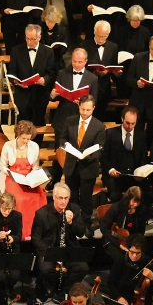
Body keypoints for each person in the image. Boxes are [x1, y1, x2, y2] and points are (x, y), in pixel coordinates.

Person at [48, 49, 99, 189]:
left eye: (80, 62)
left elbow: (95, 100)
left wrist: (83, 102)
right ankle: (55, 179)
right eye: (74, 61)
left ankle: (75, 182)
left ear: (86, 62)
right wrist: (53, 95)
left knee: (77, 152)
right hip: (63, 119)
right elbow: (54, 96)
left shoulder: (92, 78)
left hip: (81, 120)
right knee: (60, 150)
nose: (76, 64)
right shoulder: (62, 73)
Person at [32, 183, 90, 300]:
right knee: (47, 269)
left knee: (83, 267)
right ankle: (52, 288)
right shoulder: (42, 214)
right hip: (49, 250)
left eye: (66, 198)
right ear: (54, 197)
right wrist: (51, 254)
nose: (63, 202)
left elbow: (80, 232)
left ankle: (66, 290)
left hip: (69, 249)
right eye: (60, 198)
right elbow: (36, 239)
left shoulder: (75, 209)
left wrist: (71, 223)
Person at [56, 95, 105, 220]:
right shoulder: (70, 121)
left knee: (86, 198)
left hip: (88, 167)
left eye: (88, 110)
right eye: (83, 109)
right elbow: (62, 139)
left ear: (93, 108)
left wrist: (87, 156)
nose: (85, 112)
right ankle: (72, 221)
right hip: (71, 166)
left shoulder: (99, 126)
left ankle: (86, 222)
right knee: (71, 197)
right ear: (79, 106)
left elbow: (100, 148)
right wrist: (66, 145)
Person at [0, 121, 47, 237]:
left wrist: (31, 178)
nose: (25, 141)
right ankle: (21, 232)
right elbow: (3, 167)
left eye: (28, 139)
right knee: (19, 199)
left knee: (39, 195)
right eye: (23, 138)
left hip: (29, 178)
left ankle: (36, 232)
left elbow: (35, 167)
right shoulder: (8, 146)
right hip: (13, 177)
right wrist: (13, 175)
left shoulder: (34, 146)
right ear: (18, 135)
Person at [7, 25, 55, 135]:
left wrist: (44, 80)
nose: (29, 42)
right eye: (27, 38)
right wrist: (16, 81)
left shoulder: (48, 52)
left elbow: (51, 73)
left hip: (40, 95)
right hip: (22, 96)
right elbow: (11, 71)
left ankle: (37, 145)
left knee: (38, 125)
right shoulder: (16, 50)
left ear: (39, 37)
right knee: (22, 127)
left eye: (32, 39)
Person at [101, 108, 148, 203]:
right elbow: (103, 156)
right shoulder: (110, 133)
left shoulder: (141, 135)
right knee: (115, 195)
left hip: (134, 175)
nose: (130, 126)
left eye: (133, 123)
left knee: (147, 194)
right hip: (115, 175)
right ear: (122, 119)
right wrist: (111, 170)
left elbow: (143, 156)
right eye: (127, 123)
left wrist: (140, 172)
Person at [0, 193, 24, 297]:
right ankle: (1, 292)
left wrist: (12, 239)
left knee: (15, 276)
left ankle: (9, 290)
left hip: (13, 252)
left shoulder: (17, 216)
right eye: (4, 209)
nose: (7, 212)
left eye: (9, 209)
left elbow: (19, 236)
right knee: (0, 277)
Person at [81, 19, 120, 118]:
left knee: (100, 117)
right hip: (88, 87)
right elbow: (80, 67)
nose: (101, 39)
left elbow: (113, 65)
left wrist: (115, 72)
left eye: (104, 36)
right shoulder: (84, 46)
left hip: (104, 88)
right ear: (94, 32)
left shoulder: (113, 47)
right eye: (99, 36)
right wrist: (94, 72)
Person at [99, 186, 148, 257]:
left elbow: (141, 232)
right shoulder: (116, 208)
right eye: (134, 201)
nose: (136, 204)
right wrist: (119, 245)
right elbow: (104, 228)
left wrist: (135, 245)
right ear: (128, 198)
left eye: (138, 202)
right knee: (121, 258)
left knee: (140, 256)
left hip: (131, 241)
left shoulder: (142, 211)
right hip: (113, 239)